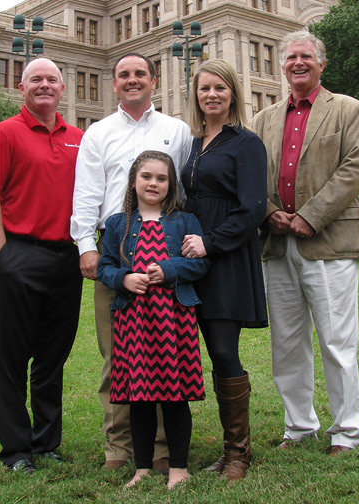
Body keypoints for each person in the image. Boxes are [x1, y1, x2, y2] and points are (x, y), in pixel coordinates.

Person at [71, 53, 192, 471]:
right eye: (124, 75)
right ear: (114, 83)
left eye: (140, 73)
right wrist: (86, 245)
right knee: (117, 356)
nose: (132, 80)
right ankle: (118, 450)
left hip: (168, 254)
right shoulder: (98, 133)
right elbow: (87, 193)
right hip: (116, 251)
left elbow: (186, 192)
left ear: (153, 81)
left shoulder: (176, 131)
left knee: (165, 351)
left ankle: (160, 449)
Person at [253, 30, 359, 456]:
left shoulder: (347, 109)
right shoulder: (264, 119)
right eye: (290, 58)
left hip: (331, 243)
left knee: (337, 343)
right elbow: (250, 177)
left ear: (321, 63)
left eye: (305, 57)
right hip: (278, 246)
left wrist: (311, 215)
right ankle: (299, 426)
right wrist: (268, 212)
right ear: (281, 65)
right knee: (286, 343)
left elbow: (355, 168)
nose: (297, 63)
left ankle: (347, 432)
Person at [0, 58, 84, 474]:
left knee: (53, 356)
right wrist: (4, 256)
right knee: (14, 356)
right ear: (22, 88)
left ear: (62, 88)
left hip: (67, 259)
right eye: (35, 79)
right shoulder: (3, 134)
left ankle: (46, 442)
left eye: (51, 79)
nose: (44, 86)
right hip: (21, 255)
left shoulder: (78, 138)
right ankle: (16, 450)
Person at [97, 151, 210, 489]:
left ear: (170, 184)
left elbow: (201, 264)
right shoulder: (119, 224)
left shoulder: (184, 221)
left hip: (175, 318)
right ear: (134, 180)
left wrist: (170, 269)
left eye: (162, 178)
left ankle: (178, 466)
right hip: (134, 319)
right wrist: (124, 279)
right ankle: (142, 466)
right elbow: (104, 267)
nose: (154, 183)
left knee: (175, 395)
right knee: (140, 395)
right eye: (147, 176)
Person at [180, 60, 268, 480]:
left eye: (219, 88)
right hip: (192, 260)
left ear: (233, 93)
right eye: (204, 89)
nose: (211, 95)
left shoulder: (246, 143)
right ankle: (225, 450)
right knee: (201, 351)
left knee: (222, 350)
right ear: (195, 96)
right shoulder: (196, 144)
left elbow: (252, 207)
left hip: (227, 257)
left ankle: (238, 453)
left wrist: (211, 242)